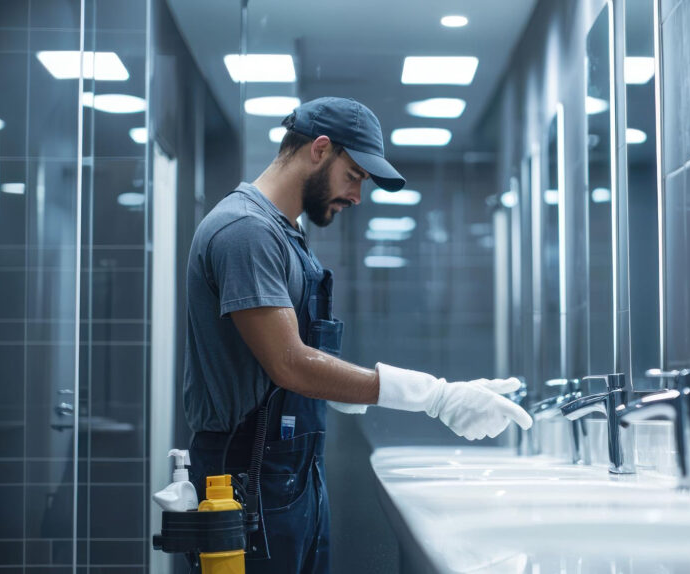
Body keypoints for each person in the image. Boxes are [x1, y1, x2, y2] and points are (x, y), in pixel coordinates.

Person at [182, 96, 533, 574]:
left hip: (291, 477)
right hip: (244, 481)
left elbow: (296, 372)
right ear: (320, 150)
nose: (357, 197)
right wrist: (435, 396)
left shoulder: (286, 237)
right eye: (355, 176)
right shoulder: (246, 231)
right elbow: (289, 364)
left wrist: (434, 395)